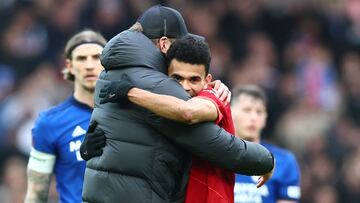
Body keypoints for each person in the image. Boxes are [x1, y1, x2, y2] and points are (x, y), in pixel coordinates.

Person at [81, 5, 274, 203]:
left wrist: (209, 92)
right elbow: (212, 142)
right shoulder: (156, 84)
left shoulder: (109, 73)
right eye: (177, 43)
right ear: (164, 44)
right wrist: (264, 160)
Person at [24, 30, 107, 203]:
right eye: (81, 59)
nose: (89, 65)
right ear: (69, 66)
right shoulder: (49, 123)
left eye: (96, 57)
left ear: (107, 63)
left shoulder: (130, 114)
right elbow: (36, 192)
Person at [230, 85, 301, 203]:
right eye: (247, 110)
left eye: (259, 112)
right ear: (230, 112)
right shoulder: (215, 157)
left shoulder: (284, 161)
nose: (253, 117)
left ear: (265, 118)